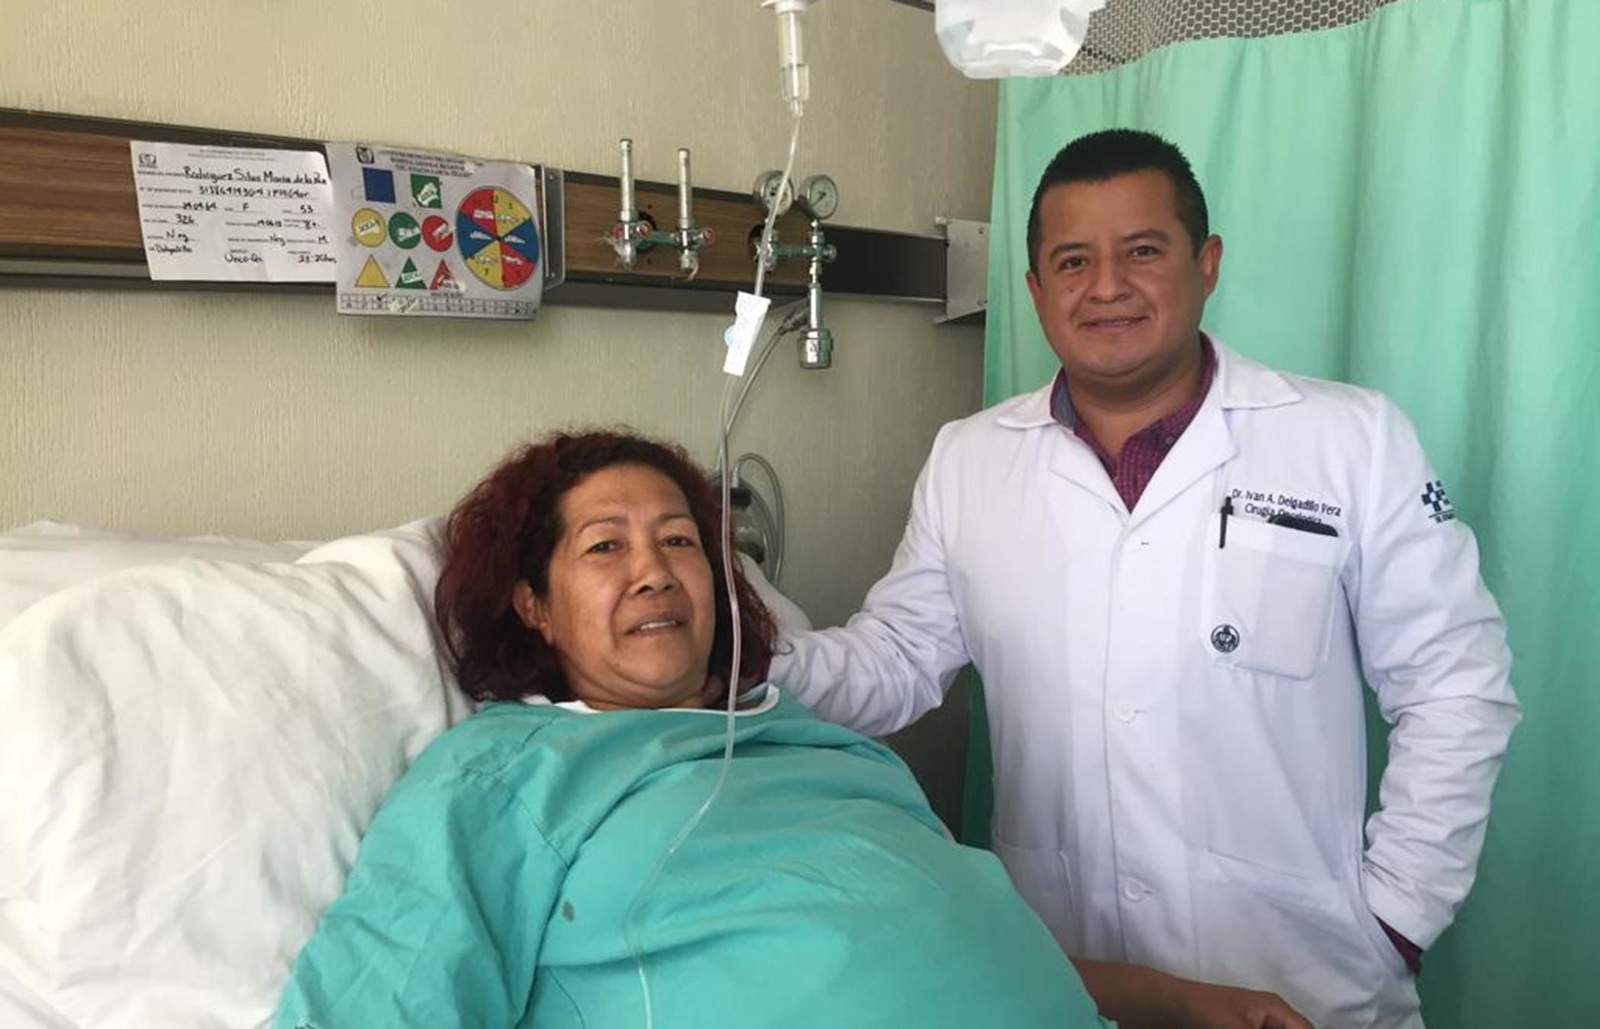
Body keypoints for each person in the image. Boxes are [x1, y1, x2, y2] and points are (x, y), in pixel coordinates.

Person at [769, 130, 1520, 1028]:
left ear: (1207, 264)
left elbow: (1455, 682)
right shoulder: (970, 459)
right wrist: (754, 657)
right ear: (1035, 290)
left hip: (1305, 979)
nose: (1107, 286)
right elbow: (895, 662)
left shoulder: (1350, 440)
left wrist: (1396, 916)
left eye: (1143, 251)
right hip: (1066, 974)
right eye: (1073, 261)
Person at [280, 429, 1289, 1028]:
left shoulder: (812, 740)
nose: (654, 571)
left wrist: (1178, 1000)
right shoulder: (504, 777)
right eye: (605, 547)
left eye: (680, 540)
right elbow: (386, 1001)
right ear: (534, 605)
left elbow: (952, 939)